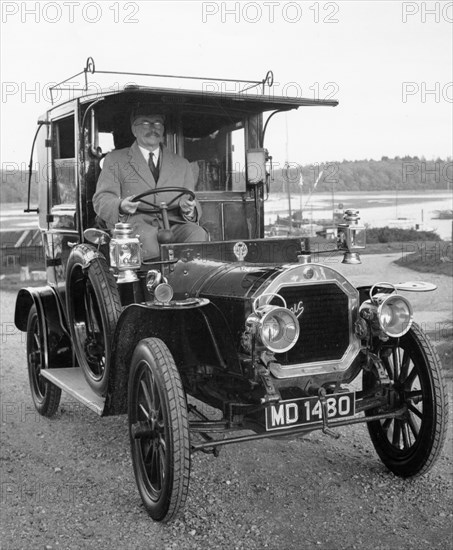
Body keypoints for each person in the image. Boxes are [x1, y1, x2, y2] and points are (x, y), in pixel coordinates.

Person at [93, 108, 207, 259]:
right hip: (136, 225)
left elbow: (191, 200)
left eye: (158, 123)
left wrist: (189, 210)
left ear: (163, 129)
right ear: (134, 129)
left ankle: (189, 280)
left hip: (174, 224)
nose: (153, 128)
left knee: (197, 233)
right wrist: (121, 206)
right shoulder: (115, 160)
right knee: (147, 238)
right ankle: (153, 281)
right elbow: (102, 199)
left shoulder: (182, 164)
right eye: (145, 123)